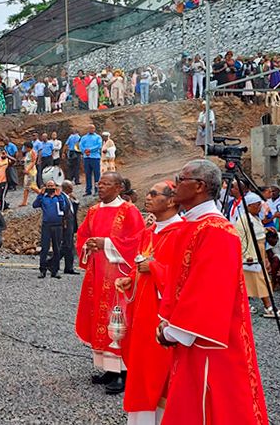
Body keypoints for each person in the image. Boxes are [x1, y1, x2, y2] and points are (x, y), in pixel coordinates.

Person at [157, 159, 269, 425]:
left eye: (180, 179)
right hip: (192, 337)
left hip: (208, 341)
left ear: (199, 186)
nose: (174, 185)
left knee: (214, 407)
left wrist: (173, 331)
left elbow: (209, 291)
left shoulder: (217, 231)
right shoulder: (195, 225)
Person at [114, 180, 182, 421]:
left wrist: (153, 267)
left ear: (172, 200)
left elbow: (184, 278)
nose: (148, 197)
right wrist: (130, 279)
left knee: (160, 371)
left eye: (154, 194)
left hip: (163, 317)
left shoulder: (182, 233)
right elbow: (140, 265)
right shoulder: (148, 232)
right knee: (142, 369)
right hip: (142, 314)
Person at [75, 172, 145, 395]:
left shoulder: (129, 211)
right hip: (97, 273)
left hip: (119, 276)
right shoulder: (94, 210)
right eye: (99, 183)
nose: (100, 187)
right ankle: (108, 367)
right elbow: (83, 235)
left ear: (118, 187)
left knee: (118, 319)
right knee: (100, 316)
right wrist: (89, 245)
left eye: (105, 184)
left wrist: (106, 243)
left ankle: (123, 372)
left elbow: (138, 241)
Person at [235, 192, 280, 318]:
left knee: (248, 282)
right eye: (257, 205)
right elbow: (241, 239)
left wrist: (266, 229)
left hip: (260, 251)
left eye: (259, 205)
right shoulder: (244, 220)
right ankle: (269, 307)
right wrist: (246, 256)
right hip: (252, 254)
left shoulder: (255, 218)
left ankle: (243, 305)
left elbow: (258, 231)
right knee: (260, 281)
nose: (259, 208)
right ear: (249, 206)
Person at [33, 180, 67, 279]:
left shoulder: (59, 197)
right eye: (48, 186)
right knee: (45, 248)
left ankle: (55, 270)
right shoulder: (44, 197)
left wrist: (59, 196)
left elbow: (63, 208)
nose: (50, 187)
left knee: (57, 248)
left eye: (52, 185)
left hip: (57, 226)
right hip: (46, 225)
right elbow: (35, 205)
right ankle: (42, 270)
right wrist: (40, 194)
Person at [60, 180, 80, 275]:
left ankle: (68, 267)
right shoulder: (62, 197)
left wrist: (75, 199)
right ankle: (50, 262)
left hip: (71, 224)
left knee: (69, 246)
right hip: (66, 224)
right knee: (67, 246)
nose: (72, 189)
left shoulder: (68, 197)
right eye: (71, 187)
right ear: (67, 188)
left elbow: (74, 209)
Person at [79, 125, 103, 196]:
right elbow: (80, 145)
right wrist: (84, 151)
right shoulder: (83, 137)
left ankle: (97, 190)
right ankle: (88, 190)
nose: (91, 129)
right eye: (90, 128)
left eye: (93, 128)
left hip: (95, 158)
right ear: (88, 129)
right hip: (86, 158)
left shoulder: (98, 137)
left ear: (94, 129)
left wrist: (90, 150)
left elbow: (99, 146)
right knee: (88, 174)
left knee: (97, 174)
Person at [20, 141, 40, 207]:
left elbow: (33, 162)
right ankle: (24, 201)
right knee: (26, 187)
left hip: (31, 172)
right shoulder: (27, 153)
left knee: (33, 186)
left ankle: (43, 195)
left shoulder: (33, 152)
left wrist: (27, 169)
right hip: (27, 172)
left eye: (25, 147)